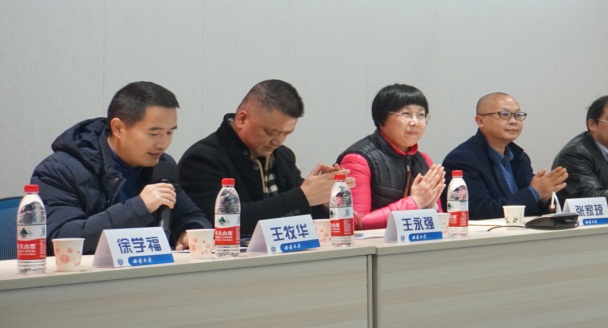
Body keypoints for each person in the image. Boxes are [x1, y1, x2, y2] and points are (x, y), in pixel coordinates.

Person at [31, 81, 210, 254]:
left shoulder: (162, 166)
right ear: (118, 128)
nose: (163, 144)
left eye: (170, 132)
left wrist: (189, 232)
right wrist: (139, 208)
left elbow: (192, 216)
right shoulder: (59, 170)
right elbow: (60, 238)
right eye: (154, 133)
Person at [179, 80, 337, 237]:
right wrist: (302, 197)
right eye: (271, 132)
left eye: (287, 133)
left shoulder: (283, 156)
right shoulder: (202, 159)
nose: (278, 141)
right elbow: (221, 222)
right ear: (242, 119)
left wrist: (322, 200)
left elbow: (301, 216)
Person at [443, 92, 568, 219]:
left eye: (518, 115)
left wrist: (544, 198)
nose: (513, 121)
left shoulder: (520, 157)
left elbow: (531, 205)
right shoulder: (462, 160)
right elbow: (478, 211)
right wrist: (535, 192)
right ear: (480, 121)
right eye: (504, 115)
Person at [337, 84, 445, 230]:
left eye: (421, 115)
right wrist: (415, 202)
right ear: (382, 118)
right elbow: (354, 222)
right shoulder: (358, 160)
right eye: (406, 114)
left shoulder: (424, 160)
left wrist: (430, 208)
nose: (415, 122)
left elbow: (439, 220)